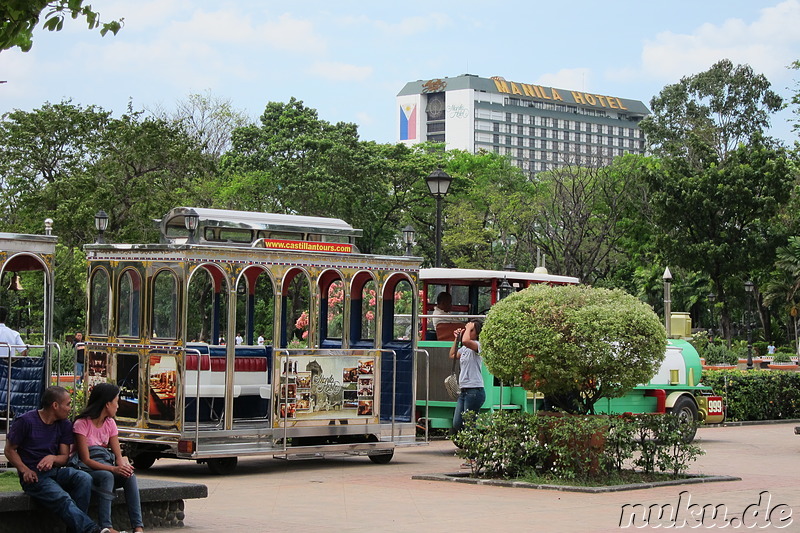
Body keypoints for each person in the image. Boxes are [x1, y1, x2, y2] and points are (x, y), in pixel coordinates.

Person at [4, 386, 110, 533]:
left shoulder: (64, 425)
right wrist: (25, 470)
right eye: (67, 404)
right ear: (55, 405)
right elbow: (9, 450)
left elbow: (64, 458)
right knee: (63, 498)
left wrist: (52, 458)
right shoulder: (26, 421)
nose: (70, 408)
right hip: (35, 477)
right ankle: (93, 530)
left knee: (84, 478)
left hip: (56, 472)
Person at [72, 382, 144, 533]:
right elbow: (86, 460)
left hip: (106, 463)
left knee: (130, 476)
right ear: (107, 404)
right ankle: (107, 526)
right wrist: (113, 469)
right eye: (116, 402)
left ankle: (138, 527)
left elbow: (118, 456)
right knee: (107, 476)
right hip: (88, 469)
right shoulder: (81, 424)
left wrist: (123, 467)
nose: (118, 406)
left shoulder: (110, 423)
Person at [449, 320, 485, 433]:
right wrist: (456, 338)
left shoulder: (479, 346)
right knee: (457, 423)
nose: (468, 331)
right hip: (464, 390)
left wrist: (468, 328)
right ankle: (467, 446)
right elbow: (452, 355)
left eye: (472, 330)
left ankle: (472, 447)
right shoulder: (465, 348)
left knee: (469, 423)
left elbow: (465, 341)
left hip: (474, 390)